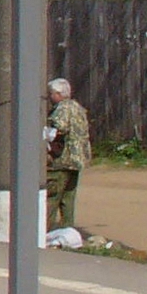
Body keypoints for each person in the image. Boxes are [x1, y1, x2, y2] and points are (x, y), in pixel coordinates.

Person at [45, 79, 91, 236]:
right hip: (77, 160)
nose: (50, 97)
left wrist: (46, 137)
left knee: (52, 197)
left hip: (62, 160)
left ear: (58, 94)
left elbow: (59, 128)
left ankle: (44, 232)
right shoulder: (78, 107)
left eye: (51, 93)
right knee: (68, 199)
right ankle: (68, 233)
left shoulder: (63, 109)